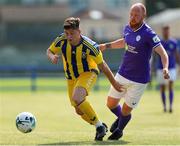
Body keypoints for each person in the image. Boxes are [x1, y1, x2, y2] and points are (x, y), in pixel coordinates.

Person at [99, 3, 170, 140]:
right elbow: (124, 42)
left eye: (136, 15)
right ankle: (121, 119)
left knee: (126, 109)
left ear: (144, 16)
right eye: (131, 14)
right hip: (123, 73)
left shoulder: (149, 34)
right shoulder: (127, 28)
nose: (133, 17)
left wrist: (165, 68)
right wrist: (106, 46)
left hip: (139, 79)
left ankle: (119, 130)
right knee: (110, 103)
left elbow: (163, 54)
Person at [46, 17, 124, 141]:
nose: (69, 36)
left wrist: (114, 83)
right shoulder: (61, 40)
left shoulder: (90, 46)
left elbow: (103, 65)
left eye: (72, 33)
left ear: (79, 31)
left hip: (88, 73)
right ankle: (100, 125)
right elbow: (49, 51)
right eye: (67, 34)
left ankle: (99, 127)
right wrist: (52, 57)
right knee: (78, 110)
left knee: (77, 98)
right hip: (71, 78)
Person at [156, 25, 180, 113]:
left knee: (170, 86)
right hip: (160, 68)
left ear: (169, 31)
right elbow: (155, 55)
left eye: (167, 30)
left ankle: (170, 106)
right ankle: (164, 107)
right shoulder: (159, 42)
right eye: (164, 30)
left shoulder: (173, 42)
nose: (166, 32)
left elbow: (177, 55)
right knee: (162, 87)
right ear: (162, 31)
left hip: (172, 68)